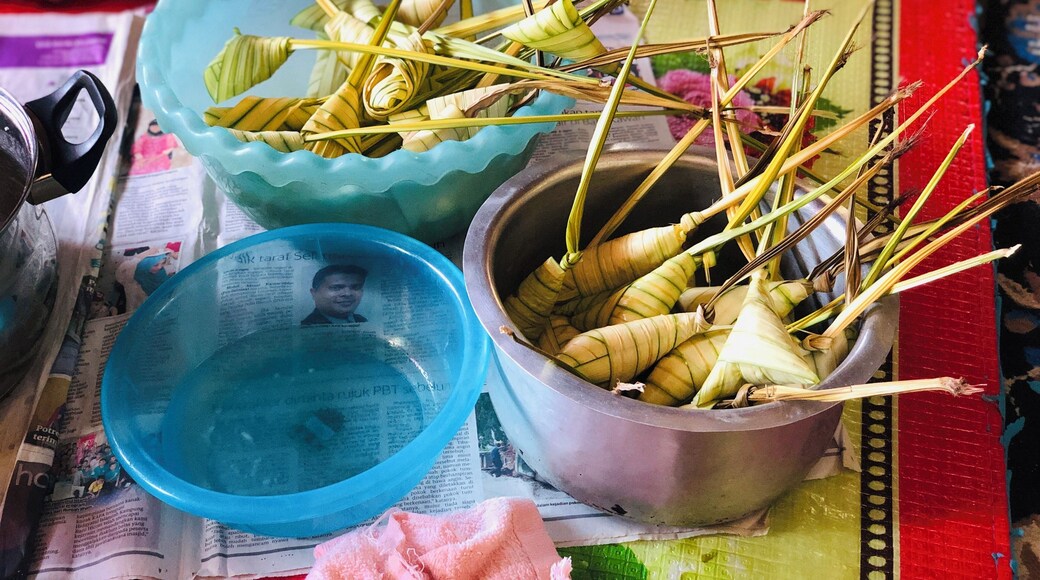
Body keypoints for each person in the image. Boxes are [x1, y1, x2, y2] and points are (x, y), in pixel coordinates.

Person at [302, 264, 368, 325]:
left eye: (355, 287)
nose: (347, 294)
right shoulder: (306, 326)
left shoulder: (362, 321)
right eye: (336, 288)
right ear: (314, 293)